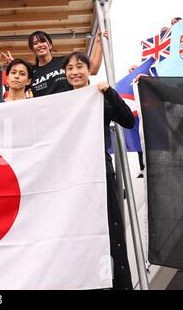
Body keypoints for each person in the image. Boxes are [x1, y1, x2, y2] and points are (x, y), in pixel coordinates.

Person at [62, 51, 134, 290]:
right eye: (70, 68)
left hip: (101, 169)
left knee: (110, 227)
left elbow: (128, 120)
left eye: (79, 66)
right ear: (65, 73)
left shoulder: (100, 96)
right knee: (77, 230)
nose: (75, 72)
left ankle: (116, 284)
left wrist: (110, 92)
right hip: (71, 175)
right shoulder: (59, 102)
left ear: (88, 70)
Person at [3, 30, 104, 98]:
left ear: (50, 45)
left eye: (43, 41)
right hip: (48, 119)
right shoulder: (31, 72)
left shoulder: (65, 61)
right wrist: (15, 65)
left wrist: (99, 44)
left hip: (72, 111)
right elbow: (17, 88)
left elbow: (93, 69)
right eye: (35, 43)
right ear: (32, 50)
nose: (40, 45)